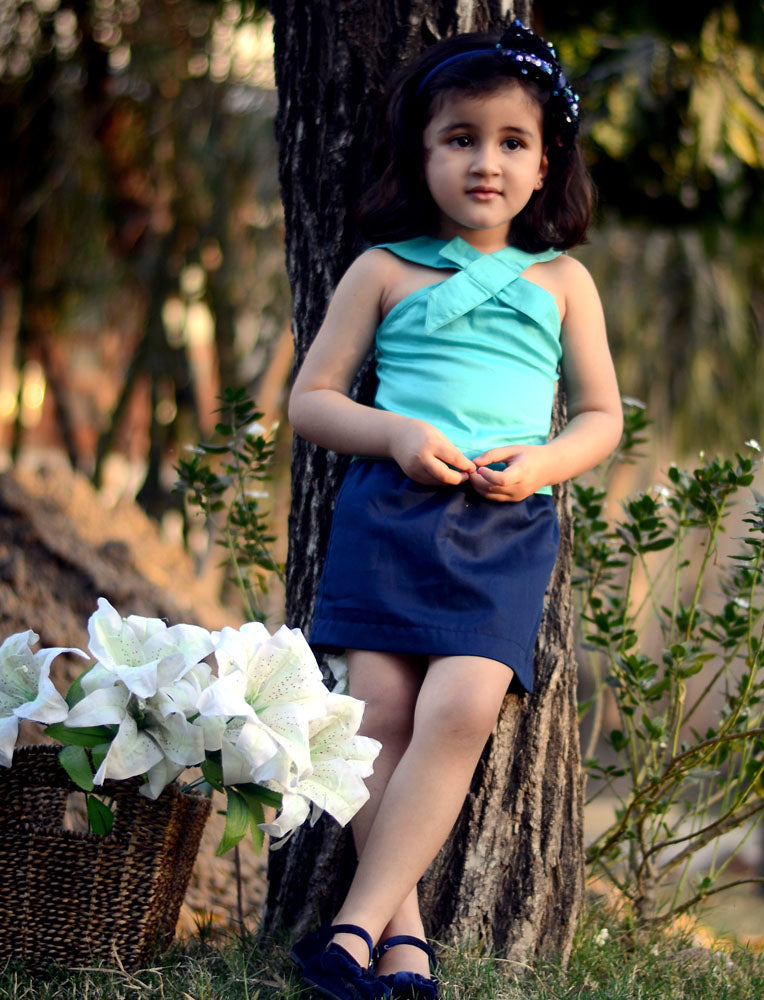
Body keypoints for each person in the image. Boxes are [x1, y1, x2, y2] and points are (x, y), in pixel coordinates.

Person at [286, 19, 622, 1000]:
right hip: (389, 515)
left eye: (512, 142)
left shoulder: (563, 283)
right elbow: (312, 400)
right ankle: (403, 945)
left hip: (503, 525)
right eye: (461, 139)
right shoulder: (383, 269)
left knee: (461, 707)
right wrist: (394, 434)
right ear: (422, 153)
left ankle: (352, 925)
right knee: (375, 718)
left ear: (544, 164)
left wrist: (545, 461)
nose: (486, 162)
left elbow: (601, 415)